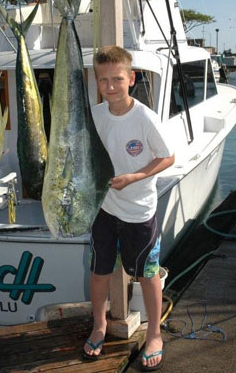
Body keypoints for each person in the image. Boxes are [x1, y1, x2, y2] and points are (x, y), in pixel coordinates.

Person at [83, 45, 175, 371]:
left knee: (148, 275)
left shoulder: (144, 117)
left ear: (131, 78)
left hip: (139, 211)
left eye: (117, 79)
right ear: (96, 81)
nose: (110, 86)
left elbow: (167, 157)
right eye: (103, 80)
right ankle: (99, 324)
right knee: (99, 273)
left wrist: (134, 176)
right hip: (104, 210)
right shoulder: (93, 116)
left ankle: (154, 333)